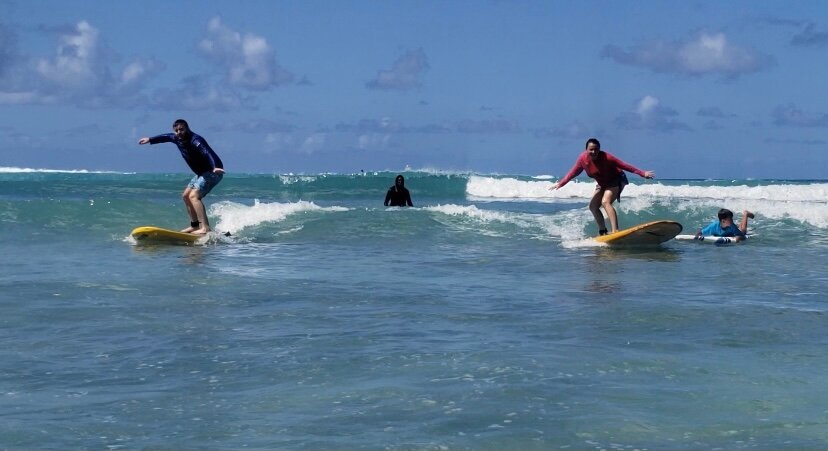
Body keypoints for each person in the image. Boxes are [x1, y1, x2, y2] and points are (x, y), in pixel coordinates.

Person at [549, 138, 654, 235]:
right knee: (593, 206)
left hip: (616, 179)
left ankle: (615, 230)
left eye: (596, 149)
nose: (594, 152)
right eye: (591, 149)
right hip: (602, 183)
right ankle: (602, 231)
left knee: (605, 202)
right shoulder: (582, 159)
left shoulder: (607, 157)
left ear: (599, 149)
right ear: (586, 149)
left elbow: (625, 166)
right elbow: (573, 173)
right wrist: (561, 183)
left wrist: (642, 173)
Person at [138, 119, 225, 235]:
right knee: (185, 196)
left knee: (194, 196)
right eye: (177, 130)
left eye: (182, 129)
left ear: (187, 128)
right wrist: (150, 139)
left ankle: (205, 228)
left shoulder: (196, 140)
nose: (179, 132)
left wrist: (216, 166)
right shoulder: (176, 138)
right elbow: (167, 137)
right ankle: (194, 226)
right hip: (201, 173)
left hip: (212, 172)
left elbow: (208, 152)